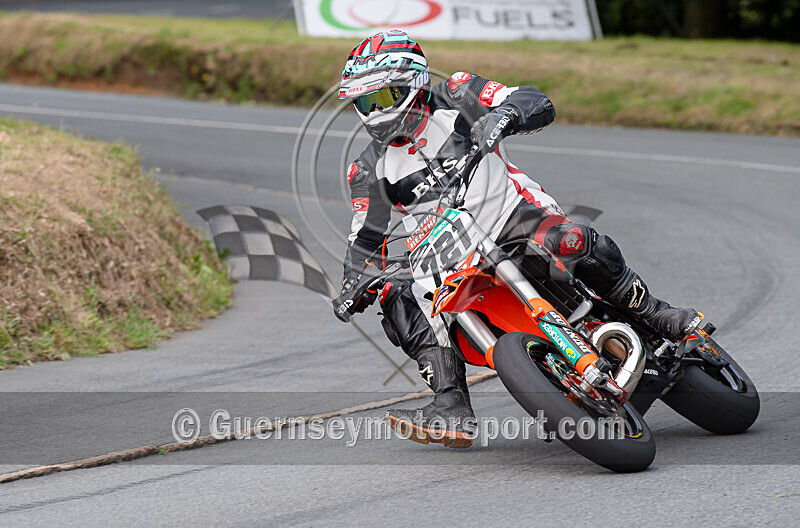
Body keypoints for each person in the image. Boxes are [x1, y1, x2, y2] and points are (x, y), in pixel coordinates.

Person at [334, 31, 700, 448]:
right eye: (365, 103)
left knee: (571, 240)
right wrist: (354, 283)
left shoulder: (457, 92)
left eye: (383, 98)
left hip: (511, 215)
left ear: (413, 84)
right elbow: (364, 239)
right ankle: (451, 404)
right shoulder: (366, 169)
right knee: (396, 299)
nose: (375, 112)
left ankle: (654, 312)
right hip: (445, 253)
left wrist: (504, 116)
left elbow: (533, 99)